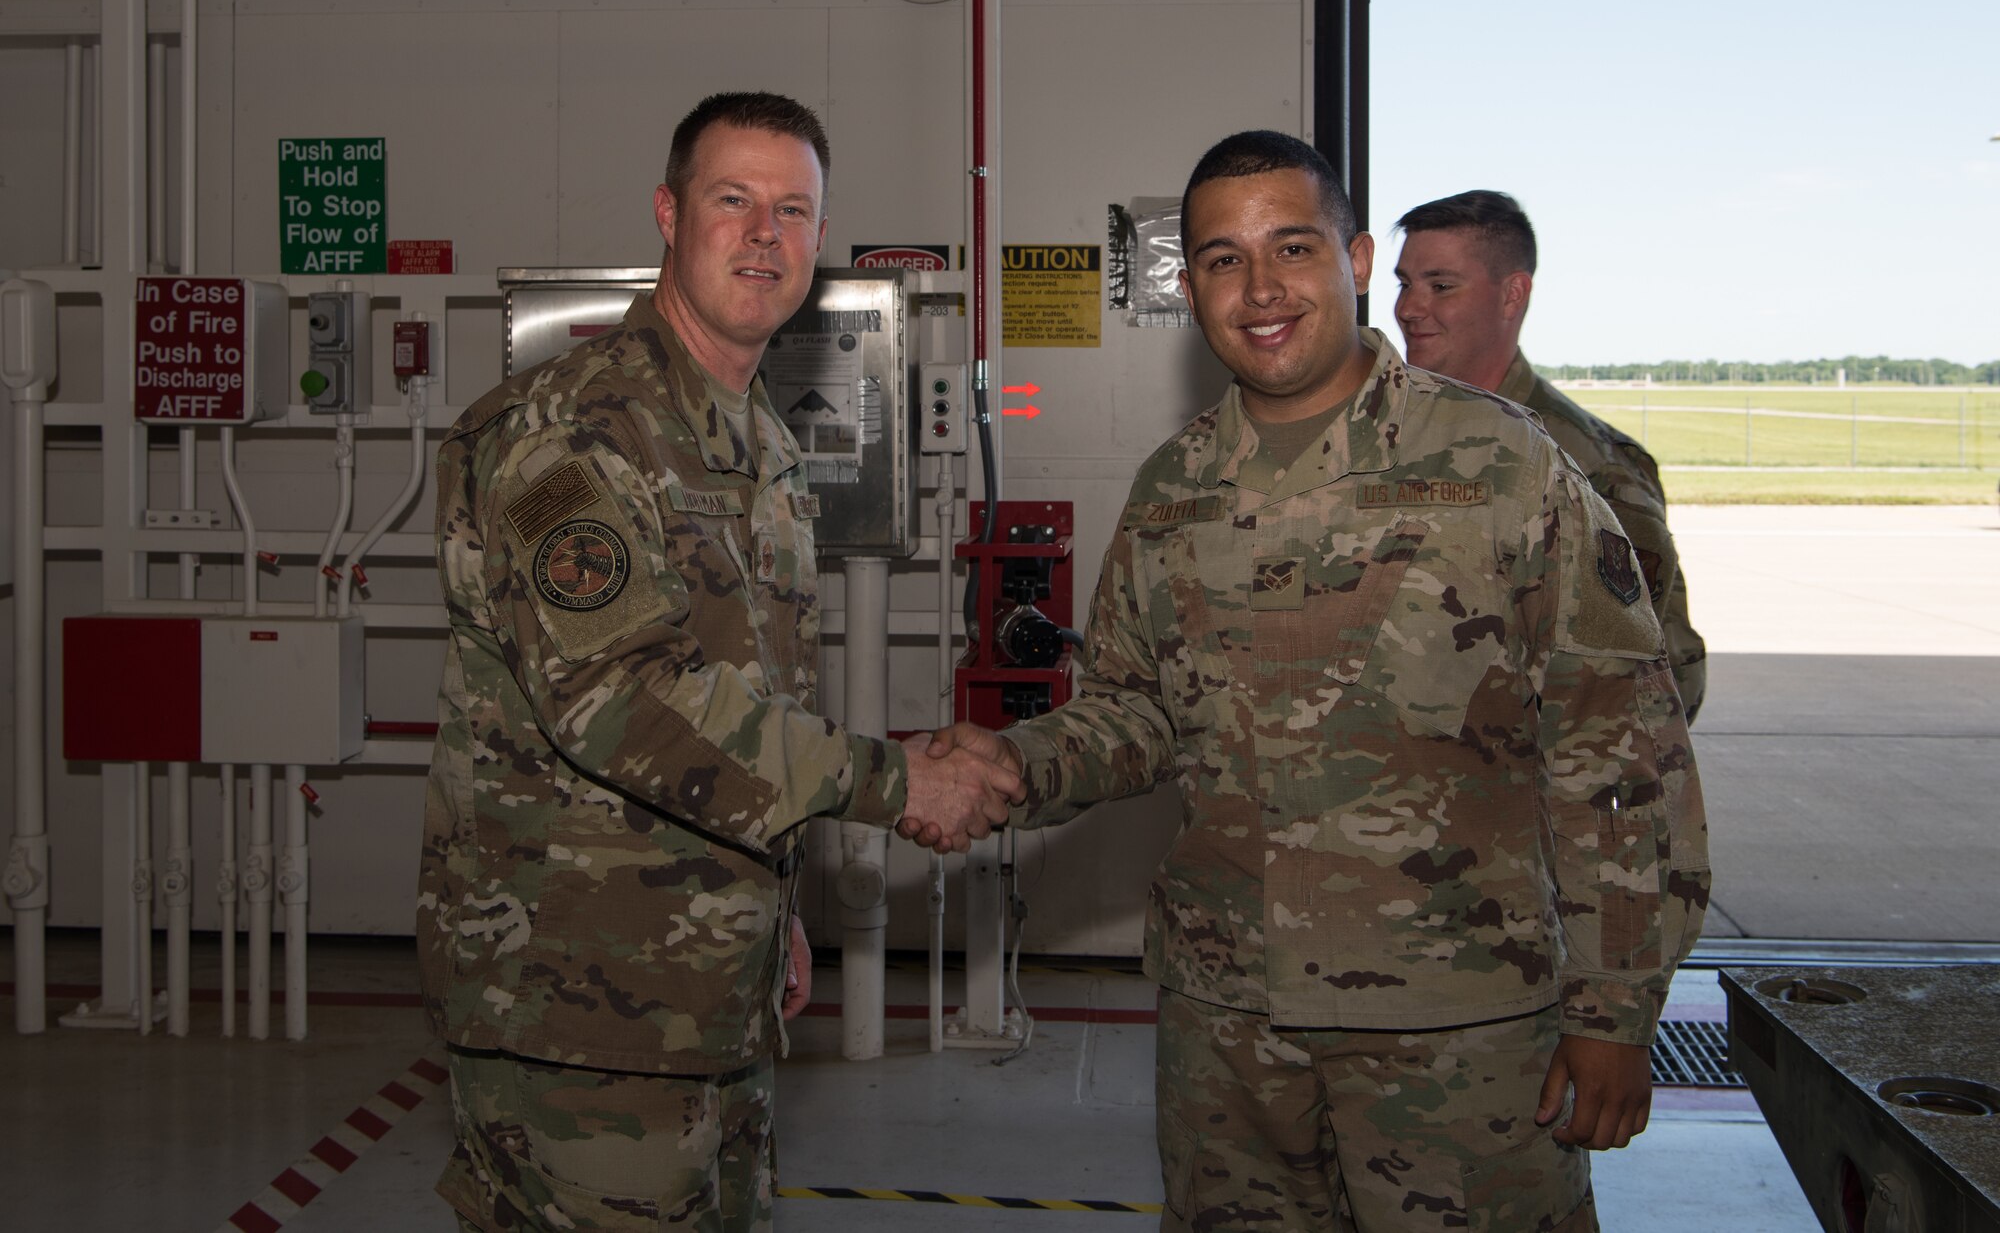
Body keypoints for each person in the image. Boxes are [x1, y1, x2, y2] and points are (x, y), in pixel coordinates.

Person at [911, 132, 1708, 1232]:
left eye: (1290, 246)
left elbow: (1616, 745)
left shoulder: (1502, 466)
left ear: (1353, 257)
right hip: (1227, 1029)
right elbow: (1135, 709)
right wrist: (1015, 759)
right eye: (1223, 259)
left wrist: (1617, 1008)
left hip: (1454, 1029)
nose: (1260, 287)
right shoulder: (1174, 486)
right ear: (1188, 286)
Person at [418, 91, 1021, 1233]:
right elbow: (620, 701)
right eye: (731, 201)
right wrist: (899, 782)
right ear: (666, 213)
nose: (763, 234)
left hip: (705, 978)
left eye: (793, 210)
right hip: (575, 995)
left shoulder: (762, 448)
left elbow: (749, 704)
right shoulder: (570, 431)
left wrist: (768, 902)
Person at [1392, 189, 1706, 720]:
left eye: (1440, 286)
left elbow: (1652, 678)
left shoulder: (1588, 465)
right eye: (1404, 284)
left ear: (1513, 294)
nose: (1408, 308)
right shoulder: (1393, 433)